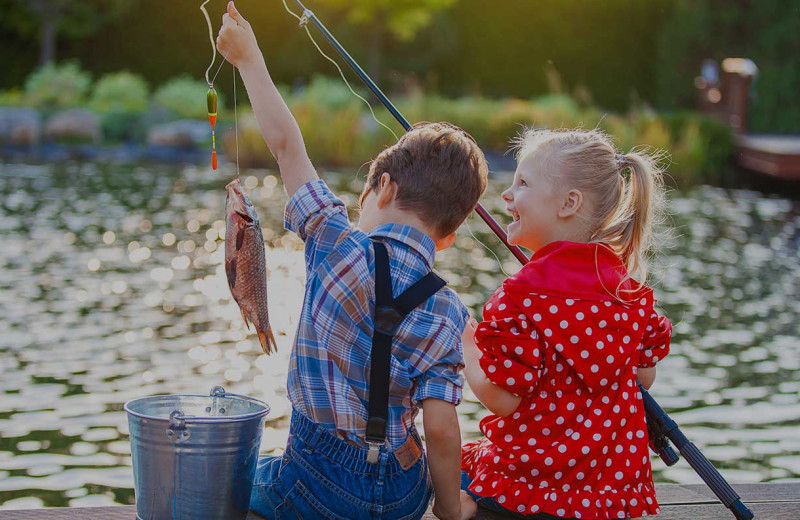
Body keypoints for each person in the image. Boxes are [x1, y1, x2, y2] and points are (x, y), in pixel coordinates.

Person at [216, 3, 488, 519]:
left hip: (317, 482)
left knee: (236, 483)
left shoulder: (335, 242)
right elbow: (441, 425)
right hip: (405, 493)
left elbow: (285, 147)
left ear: (382, 187)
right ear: (448, 238)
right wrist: (450, 509)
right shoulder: (450, 310)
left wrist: (249, 60)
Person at [459, 128, 673, 520]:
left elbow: (502, 399)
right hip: (606, 500)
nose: (507, 195)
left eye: (522, 183)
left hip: (527, 492)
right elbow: (643, 377)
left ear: (569, 203)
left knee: (443, 468)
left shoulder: (518, 300)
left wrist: (468, 344)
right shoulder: (630, 295)